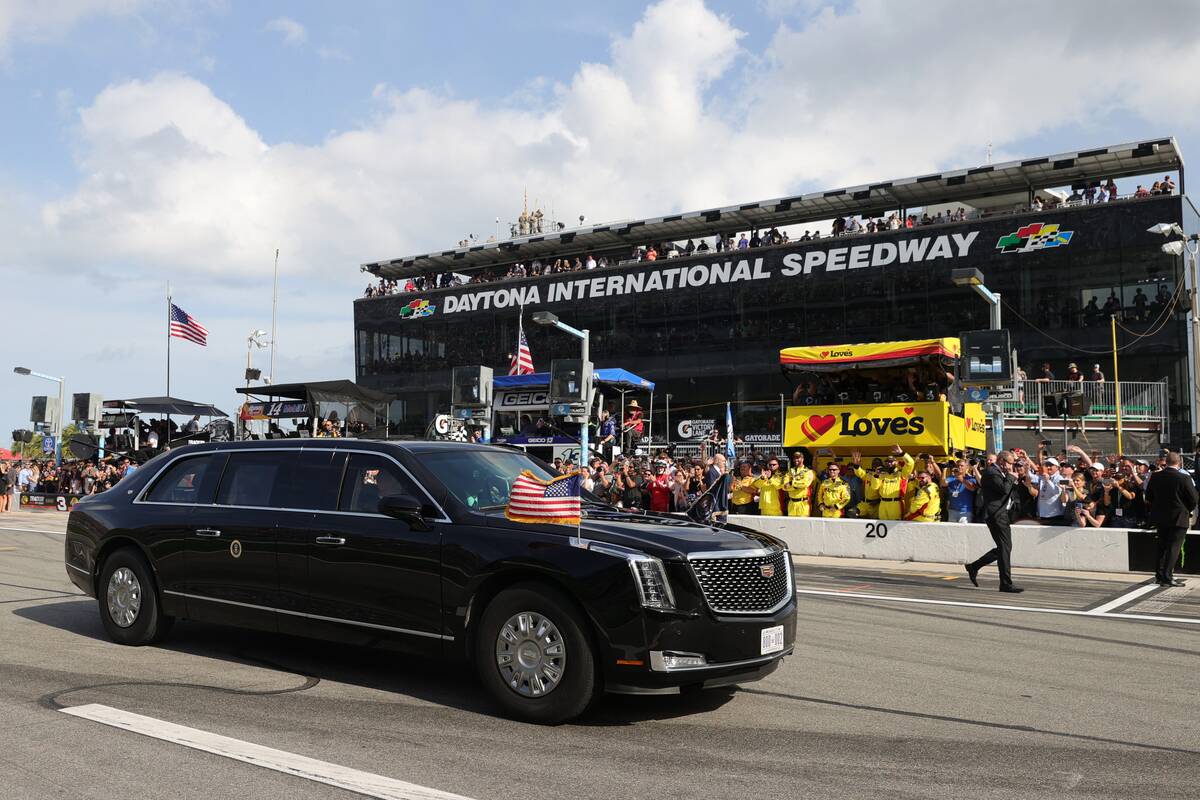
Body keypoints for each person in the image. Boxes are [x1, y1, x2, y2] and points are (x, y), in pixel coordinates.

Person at [966, 450, 1024, 593]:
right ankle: (1005, 583)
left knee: (1004, 548)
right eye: (1010, 463)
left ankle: (974, 567)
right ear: (1002, 461)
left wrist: (1015, 478)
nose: (1011, 466)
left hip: (1001, 513)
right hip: (996, 514)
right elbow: (1003, 489)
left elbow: (1009, 489)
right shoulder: (991, 472)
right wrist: (1010, 476)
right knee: (1005, 548)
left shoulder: (1000, 472)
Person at [1144, 451, 1198, 587]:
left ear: (1166, 462)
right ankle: (1168, 576)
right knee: (1174, 548)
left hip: (1161, 517)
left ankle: (1159, 575)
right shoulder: (1183, 478)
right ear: (1179, 462)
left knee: (1162, 546)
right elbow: (1194, 499)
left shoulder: (1155, 477)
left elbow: (1148, 497)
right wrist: (1186, 509)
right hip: (1179, 518)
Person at [852, 445, 913, 521]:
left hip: (896, 504)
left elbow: (910, 463)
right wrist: (876, 475)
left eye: (891, 461)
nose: (889, 463)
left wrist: (902, 453)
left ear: (896, 462)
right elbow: (875, 487)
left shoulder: (902, 473)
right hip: (883, 504)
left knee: (895, 527)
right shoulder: (882, 475)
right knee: (881, 524)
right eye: (887, 462)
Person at [942, 458, 980, 523]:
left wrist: (961, 479)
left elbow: (972, 488)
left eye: (962, 466)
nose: (959, 467)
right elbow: (943, 484)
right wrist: (944, 470)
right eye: (958, 466)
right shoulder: (951, 477)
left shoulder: (970, 478)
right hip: (952, 510)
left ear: (966, 467)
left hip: (965, 512)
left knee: (964, 532)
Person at [782, 450, 815, 517]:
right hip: (791, 504)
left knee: (804, 525)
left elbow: (805, 484)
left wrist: (791, 483)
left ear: (802, 459)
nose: (796, 459)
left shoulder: (808, 471)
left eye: (798, 458)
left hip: (803, 504)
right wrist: (797, 486)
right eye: (794, 458)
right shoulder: (790, 472)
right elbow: (784, 487)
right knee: (791, 525)